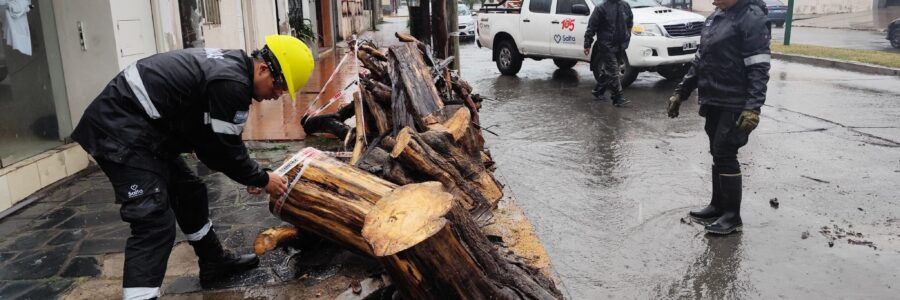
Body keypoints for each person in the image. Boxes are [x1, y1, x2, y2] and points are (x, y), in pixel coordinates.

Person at [71, 35, 315, 300]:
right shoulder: (232, 84)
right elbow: (224, 151)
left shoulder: (233, 68)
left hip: (146, 129)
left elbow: (212, 146)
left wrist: (250, 172)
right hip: (120, 130)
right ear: (263, 68)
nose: (277, 95)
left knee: (189, 191)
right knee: (153, 222)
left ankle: (213, 263)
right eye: (279, 85)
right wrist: (262, 178)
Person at [666, 0, 771, 235]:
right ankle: (718, 206)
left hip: (735, 100)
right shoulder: (716, 16)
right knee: (716, 150)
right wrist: (680, 92)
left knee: (725, 152)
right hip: (713, 97)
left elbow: (759, 67)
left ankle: (732, 217)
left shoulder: (751, 17)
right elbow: (700, 60)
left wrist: (753, 107)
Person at [583, 0, 632, 107]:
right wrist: (587, 43)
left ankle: (598, 90)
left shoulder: (625, 6)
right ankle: (617, 97)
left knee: (609, 71)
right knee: (614, 70)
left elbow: (629, 23)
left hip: (620, 44)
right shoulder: (601, 8)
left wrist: (627, 36)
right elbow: (592, 26)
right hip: (606, 45)